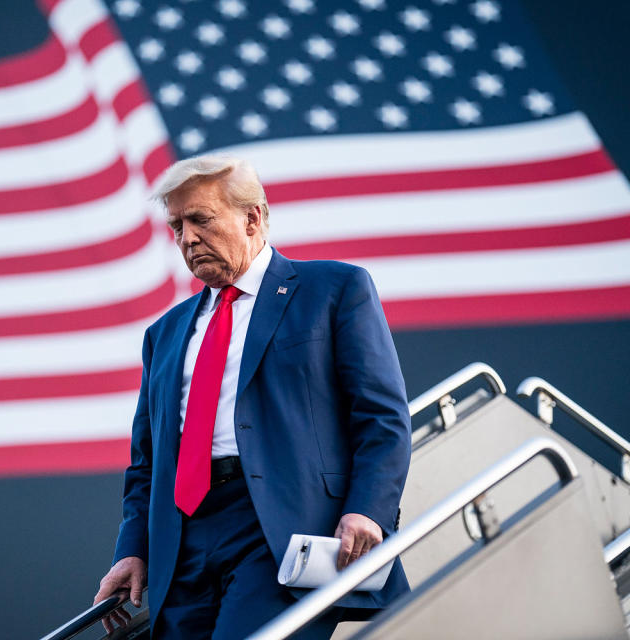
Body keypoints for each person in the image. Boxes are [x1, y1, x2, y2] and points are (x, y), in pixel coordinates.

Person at [93, 155, 412, 639]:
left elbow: (381, 416)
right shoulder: (164, 333)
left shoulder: (334, 289)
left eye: (200, 219)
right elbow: (147, 462)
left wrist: (368, 508)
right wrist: (131, 549)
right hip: (182, 537)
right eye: (177, 225)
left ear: (252, 217)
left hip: (279, 526)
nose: (187, 238)